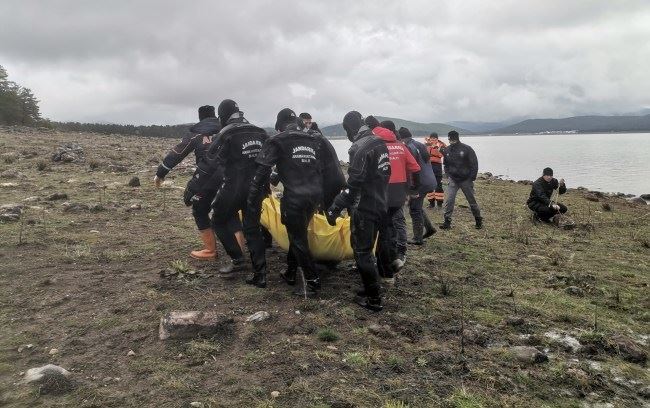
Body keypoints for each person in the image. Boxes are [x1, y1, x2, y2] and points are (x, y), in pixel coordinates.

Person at [246, 108, 327, 293]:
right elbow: (321, 167)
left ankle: (312, 282)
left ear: (279, 124)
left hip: (295, 197)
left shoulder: (278, 140)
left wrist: (253, 197)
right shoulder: (313, 139)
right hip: (314, 195)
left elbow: (263, 170)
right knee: (297, 234)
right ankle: (290, 272)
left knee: (298, 239)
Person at [154, 105, 243, 260]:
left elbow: (177, 153)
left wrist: (161, 173)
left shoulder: (196, 133)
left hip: (206, 177)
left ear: (200, 117)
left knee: (200, 210)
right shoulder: (228, 130)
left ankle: (210, 251)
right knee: (230, 211)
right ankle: (240, 250)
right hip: (231, 176)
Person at [191, 99, 269, 276]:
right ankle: (260, 273)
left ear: (223, 115)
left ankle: (238, 260)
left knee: (218, 220)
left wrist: (192, 188)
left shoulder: (226, 132)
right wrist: (266, 187)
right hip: (255, 188)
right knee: (252, 227)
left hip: (233, 187)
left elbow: (209, 164)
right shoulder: (260, 132)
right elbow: (267, 162)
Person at [326, 111, 391, 311]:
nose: (347, 135)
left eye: (346, 131)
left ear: (351, 128)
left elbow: (353, 184)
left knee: (362, 251)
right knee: (372, 248)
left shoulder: (359, 148)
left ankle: (374, 299)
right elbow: (385, 173)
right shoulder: (380, 142)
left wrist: (335, 207)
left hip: (365, 206)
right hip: (381, 202)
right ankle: (370, 286)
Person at [374, 120, 420, 277]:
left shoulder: (378, 147)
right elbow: (415, 168)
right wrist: (413, 189)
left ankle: (385, 261)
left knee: (382, 226)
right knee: (396, 222)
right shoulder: (401, 146)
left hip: (383, 191)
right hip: (399, 191)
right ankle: (398, 254)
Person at [397, 127, 437, 245]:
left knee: (414, 209)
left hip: (420, 182)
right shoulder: (420, 145)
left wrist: (410, 187)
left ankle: (418, 238)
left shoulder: (409, 147)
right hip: (430, 179)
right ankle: (429, 228)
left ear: (401, 137)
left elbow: (411, 168)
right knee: (416, 205)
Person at [440, 131, 483, 230]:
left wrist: (472, 178)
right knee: (449, 200)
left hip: (466, 180)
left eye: (452, 138)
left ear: (456, 138)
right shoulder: (447, 150)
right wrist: (448, 174)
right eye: (450, 138)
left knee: (471, 200)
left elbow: (474, 164)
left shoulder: (467, 149)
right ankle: (447, 222)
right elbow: (445, 164)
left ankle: (478, 220)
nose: (451, 140)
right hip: (453, 180)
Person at [424, 132, 446, 208]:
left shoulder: (441, 145)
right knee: (429, 184)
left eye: (434, 138)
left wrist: (435, 147)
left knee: (438, 185)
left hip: (437, 166)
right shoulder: (426, 144)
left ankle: (439, 203)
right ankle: (431, 202)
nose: (433, 139)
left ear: (437, 138)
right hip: (428, 166)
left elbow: (441, 154)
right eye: (432, 138)